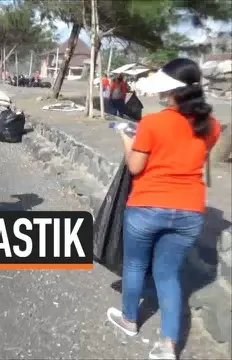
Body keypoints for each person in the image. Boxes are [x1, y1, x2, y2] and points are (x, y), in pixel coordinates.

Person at [106, 58, 222, 360]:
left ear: (170, 91)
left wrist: (124, 137)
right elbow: (192, 156)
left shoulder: (153, 122)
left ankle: (130, 320)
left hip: (147, 205)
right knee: (168, 274)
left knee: (134, 266)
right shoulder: (212, 126)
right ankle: (169, 344)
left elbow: (135, 166)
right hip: (189, 211)